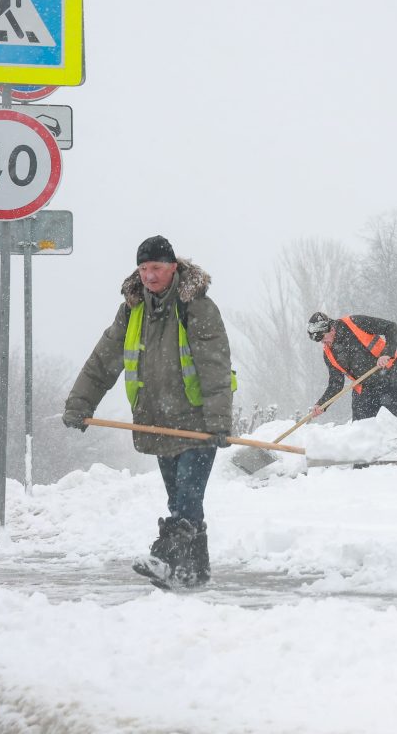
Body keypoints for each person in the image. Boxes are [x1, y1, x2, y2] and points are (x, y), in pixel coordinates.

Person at [63, 235, 234, 588]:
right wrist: (80, 404)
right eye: (143, 268)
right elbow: (104, 359)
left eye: (156, 267)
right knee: (180, 500)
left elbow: (214, 365)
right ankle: (194, 573)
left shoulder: (196, 306)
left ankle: (165, 559)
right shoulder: (133, 309)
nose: (149, 276)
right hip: (159, 423)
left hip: (196, 424)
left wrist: (219, 421)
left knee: (187, 495)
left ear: (173, 266)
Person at [307, 311, 397, 465]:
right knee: (360, 432)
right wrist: (322, 404)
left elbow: (391, 327)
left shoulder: (354, 323)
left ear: (330, 328)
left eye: (323, 338)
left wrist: (387, 353)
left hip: (390, 380)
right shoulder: (328, 352)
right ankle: (360, 473)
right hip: (364, 390)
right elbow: (336, 383)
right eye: (319, 341)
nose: (324, 343)